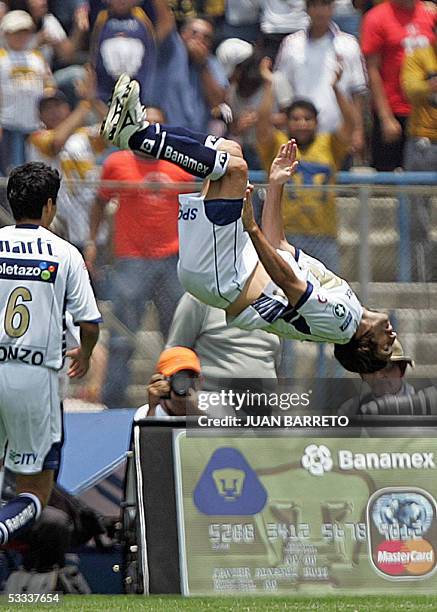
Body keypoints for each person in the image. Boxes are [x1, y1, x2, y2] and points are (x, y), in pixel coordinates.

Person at [100, 74, 396, 374]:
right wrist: (276, 183)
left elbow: (289, 283)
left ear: (363, 343)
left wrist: (252, 230)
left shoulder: (343, 322)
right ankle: (139, 130)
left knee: (235, 170)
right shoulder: (348, 305)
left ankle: (136, 139)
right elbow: (281, 247)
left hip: (224, 276)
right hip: (226, 267)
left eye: (386, 346)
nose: (393, 338)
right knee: (229, 152)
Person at [0, 161, 101, 545]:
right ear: (48, 205)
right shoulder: (64, 253)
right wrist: (86, 354)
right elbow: (88, 322)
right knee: (36, 491)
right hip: (34, 378)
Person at [86, 106, 192, 409]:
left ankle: (178, 400)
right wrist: (93, 241)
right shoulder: (116, 163)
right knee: (122, 336)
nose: (152, 131)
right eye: (147, 124)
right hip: (131, 259)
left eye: (158, 125)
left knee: (177, 336)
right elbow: (98, 204)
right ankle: (114, 401)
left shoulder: (179, 165)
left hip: (173, 259)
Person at [274, 0, 366, 148]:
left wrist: (357, 131)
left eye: (324, 5)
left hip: (338, 134)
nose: (320, 11)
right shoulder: (291, 44)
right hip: (300, 135)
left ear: (332, 7)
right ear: (307, 10)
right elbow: (281, 84)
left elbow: (357, 92)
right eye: (314, 5)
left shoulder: (349, 44)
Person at [361, 0, 435, 170]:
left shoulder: (430, 13)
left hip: (426, 114)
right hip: (393, 110)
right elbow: (372, 70)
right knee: (387, 182)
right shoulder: (376, 17)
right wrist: (385, 117)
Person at [166, 292, 281, 391]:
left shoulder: (274, 299)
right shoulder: (199, 296)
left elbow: (276, 358)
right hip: (210, 400)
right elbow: (175, 352)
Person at [401, 23, 437, 281]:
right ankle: (420, 276)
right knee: (418, 217)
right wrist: (429, 86)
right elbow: (411, 89)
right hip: (423, 143)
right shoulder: (419, 56)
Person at [0, 10, 53, 174]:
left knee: (33, 171)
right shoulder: (1, 58)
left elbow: (48, 86)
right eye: (16, 33)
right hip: (9, 124)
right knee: (12, 170)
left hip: (35, 125)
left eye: (24, 32)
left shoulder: (37, 58)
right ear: (6, 34)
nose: (21, 37)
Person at [154, 15, 229, 132]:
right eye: (194, 33)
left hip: (196, 136)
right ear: (182, 35)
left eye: (206, 37)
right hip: (165, 133)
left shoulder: (212, 64)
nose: (199, 39)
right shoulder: (168, 54)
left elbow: (218, 101)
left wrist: (202, 65)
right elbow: (165, 21)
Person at [338, 339, 416, 415]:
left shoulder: (424, 405)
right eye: (370, 369)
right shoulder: (351, 410)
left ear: (402, 369)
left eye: (387, 367)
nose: (378, 376)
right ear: (362, 375)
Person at [136, 346, 202, 418]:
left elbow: (212, 428)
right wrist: (152, 409)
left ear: (199, 380)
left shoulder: (211, 406)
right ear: (160, 380)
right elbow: (148, 429)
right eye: (175, 377)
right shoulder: (144, 413)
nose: (181, 382)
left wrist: (194, 412)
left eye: (189, 375)